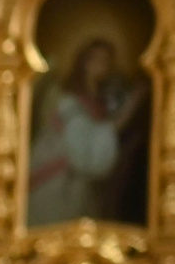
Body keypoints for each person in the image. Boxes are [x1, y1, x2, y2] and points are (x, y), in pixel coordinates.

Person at [28, 35, 151, 227]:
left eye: (108, 61)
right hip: (58, 183)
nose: (105, 66)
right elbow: (89, 143)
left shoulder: (98, 99)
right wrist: (132, 105)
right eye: (99, 60)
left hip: (78, 184)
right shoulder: (67, 99)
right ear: (85, 63)